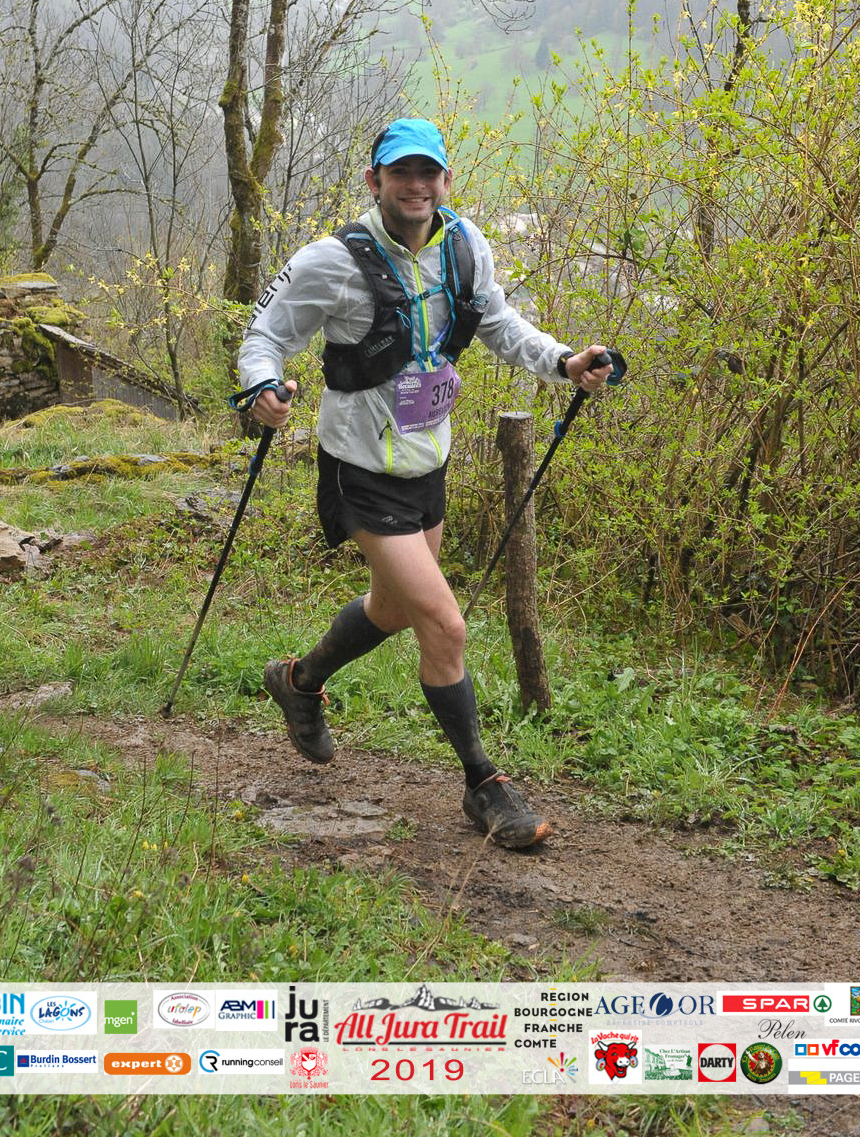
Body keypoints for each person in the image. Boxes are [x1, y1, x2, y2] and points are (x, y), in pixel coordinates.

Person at [238, 118, 612, 850]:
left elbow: (499, 323)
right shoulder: (332, 261)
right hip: (359, 469)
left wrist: (562, 361)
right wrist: (262, 388)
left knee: (393, 608)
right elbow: (266, 334)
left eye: (428, 173)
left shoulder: (465, 246)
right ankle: (484, 785)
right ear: (374, 180)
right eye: (400, 173)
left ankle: (299, 680)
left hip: (426, 461)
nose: (416, 186)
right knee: (445, 624)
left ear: (445, 181)